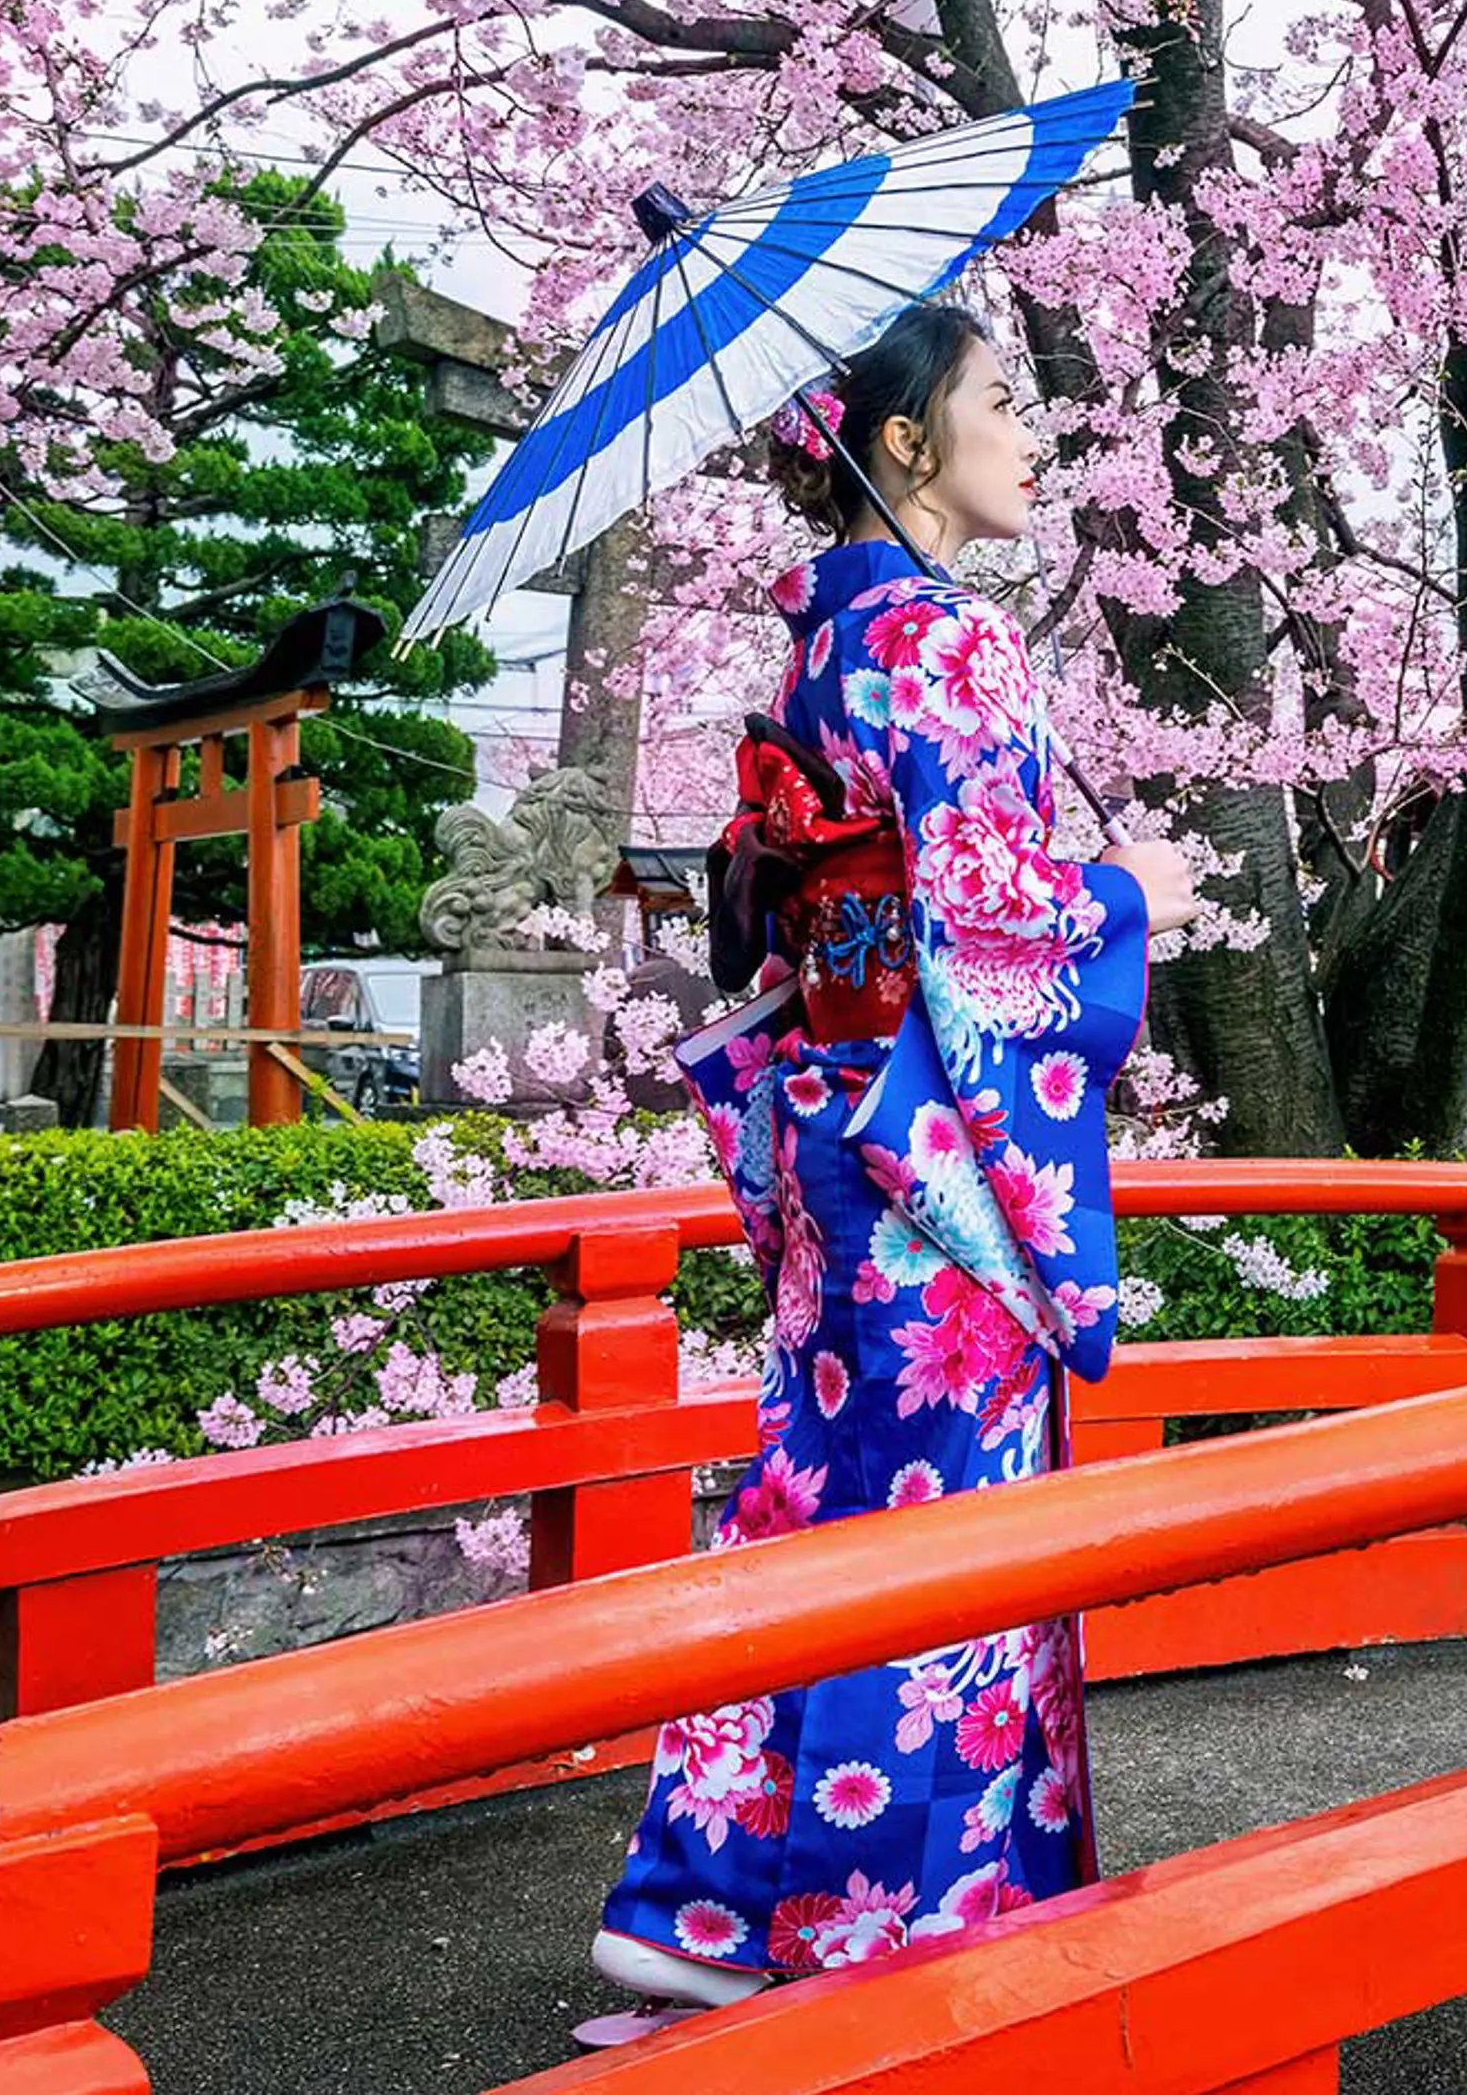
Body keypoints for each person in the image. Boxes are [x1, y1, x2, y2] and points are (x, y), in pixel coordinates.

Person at [579, 303, 1201, 2043]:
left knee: (815, 1496)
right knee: (933, 1524)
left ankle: (697, 1901)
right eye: (998, 402)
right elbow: (990, 918)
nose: (1029, 433)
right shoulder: (942, 638)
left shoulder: (823, 642)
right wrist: (1129, 889)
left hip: (841, 1139)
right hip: (935, 1165)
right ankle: (894, 1920)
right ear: (905, 445)